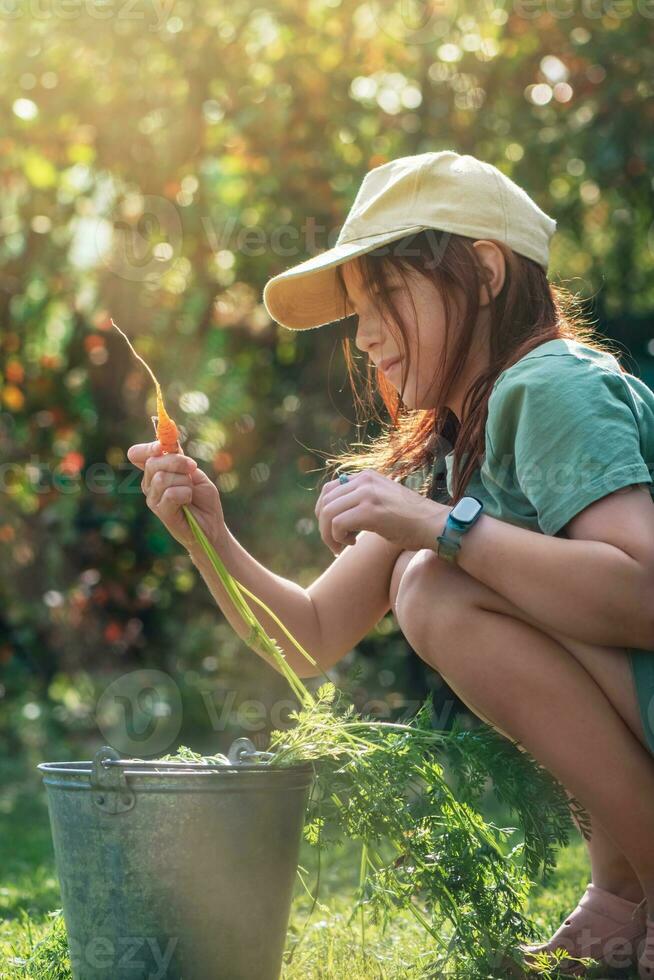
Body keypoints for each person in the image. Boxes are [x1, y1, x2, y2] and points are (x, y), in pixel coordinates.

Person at [127, 150, 654, 977]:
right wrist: (208, 537)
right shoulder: (447, 449)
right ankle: (623, 897)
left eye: (389, 298)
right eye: (360, 311)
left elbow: (645, 592)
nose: (366, 334)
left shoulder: (549, 385)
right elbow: (306, 639)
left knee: (437, 589)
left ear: (483, 272)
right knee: (434, 577)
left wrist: (439, 527)